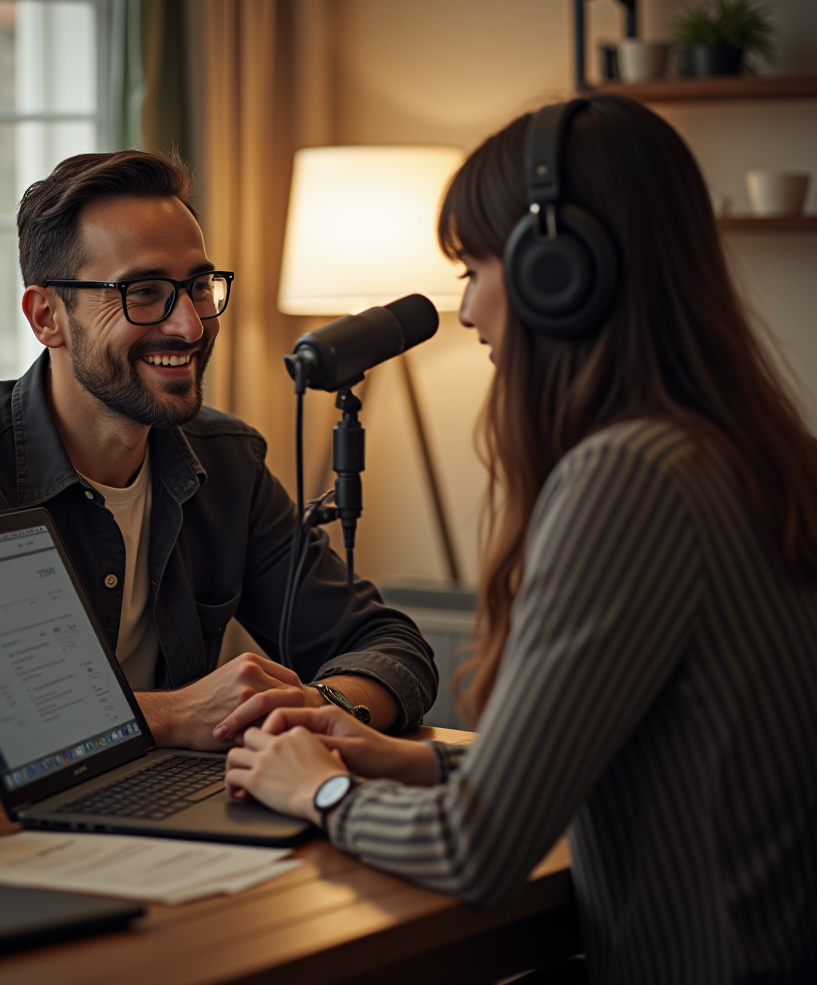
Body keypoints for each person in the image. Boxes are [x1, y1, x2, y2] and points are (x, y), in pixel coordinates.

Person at [223, 95, 817, 984]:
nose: (466, 311)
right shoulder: (752, 450)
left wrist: (321, 788)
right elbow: (636, 761)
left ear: (558, 271)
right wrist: (404, 763)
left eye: (473, 268)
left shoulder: (630, 478)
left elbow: (478, 853)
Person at [0, 151, 438, 748]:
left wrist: (315, 710)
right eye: (142, 292)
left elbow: (388, 645)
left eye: (198, 286)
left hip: (164, 813)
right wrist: (167, 716)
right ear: (46, 317)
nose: (190, 326)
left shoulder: (228, 464)